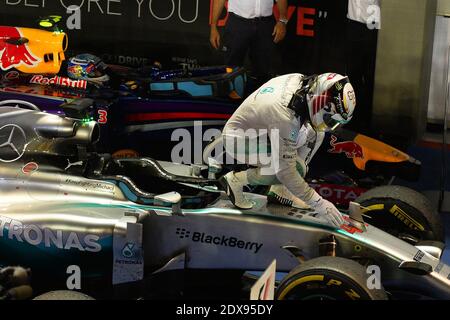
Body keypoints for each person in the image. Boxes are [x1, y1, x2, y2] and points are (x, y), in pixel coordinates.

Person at [219, 73, 356, 227]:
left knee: (317, 133)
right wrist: (319, 203)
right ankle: (235, 180)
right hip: (239, 140)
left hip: (262, 129)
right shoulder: (285, 115)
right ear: (322, 102)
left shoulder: (303, 83)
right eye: (331, 119)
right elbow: (286, 172)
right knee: (291, 170)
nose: (330, 124)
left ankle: (281, 191)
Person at [210, 0, 288, 86]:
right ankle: (232, 96)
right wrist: (213, 26)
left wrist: (282, 21)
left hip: (265, 24)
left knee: (265, 68)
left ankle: (261, 96)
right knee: (232, 66)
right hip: (238, 23)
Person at [346, 0, 380, 133]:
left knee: (371, 77)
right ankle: (353, 119)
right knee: (353, 75)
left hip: (375, 24)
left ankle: (368, 123)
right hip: (354, 21)